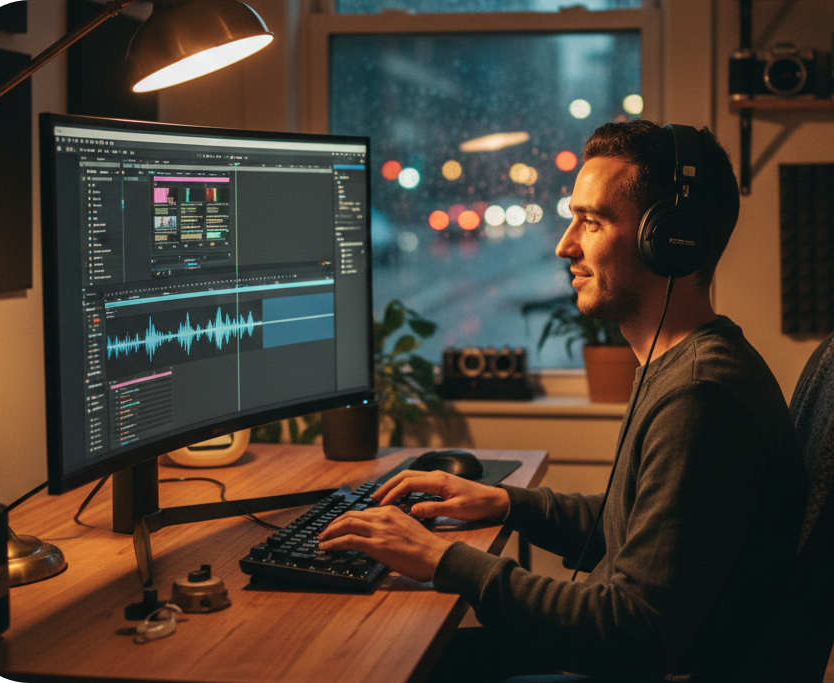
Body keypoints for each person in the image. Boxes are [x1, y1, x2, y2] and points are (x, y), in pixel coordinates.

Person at [318, 120, 806, 682]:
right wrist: (502, 503)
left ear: (671, 239)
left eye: (591, 222)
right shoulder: (685, 367)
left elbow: (632, 635)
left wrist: (441, 559)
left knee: (380, 664)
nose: (564, 245)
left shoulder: (700, 398)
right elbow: (630, 526)